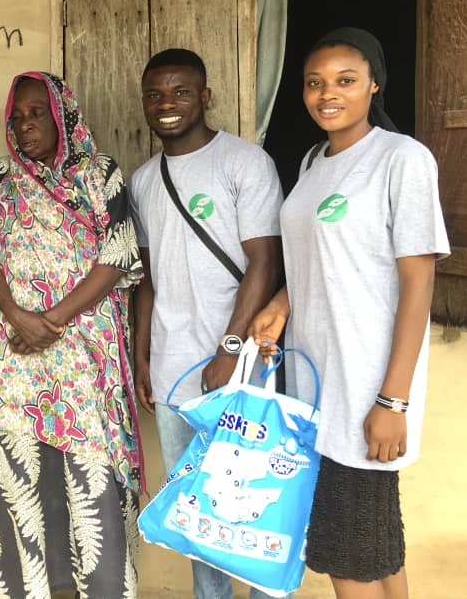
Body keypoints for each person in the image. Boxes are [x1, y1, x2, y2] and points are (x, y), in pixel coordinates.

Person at [250, 28, 449, 599]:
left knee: (345, 552)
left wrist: (392, 401)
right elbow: (319, 258)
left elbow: (418, 282)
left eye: (345, 80)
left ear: (374, 84)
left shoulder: (401, 158)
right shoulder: (314, 161)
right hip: (317, 379)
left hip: (366, 385)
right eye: (314, 82)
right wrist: (280, 303)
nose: (327, 94)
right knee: (376, 545)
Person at [0, 71, 144, 599]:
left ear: (63, 115)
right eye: (17, 116)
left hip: (84, 356)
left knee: (92, 478)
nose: (25, 125)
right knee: (18, 477)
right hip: (12, 357)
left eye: (37, 113)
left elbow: (117, 255)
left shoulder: (100, 174)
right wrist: (16, 314)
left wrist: (51, 320)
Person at [127, 48, 284, 599]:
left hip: (240, 368)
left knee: (254, 501)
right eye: (155, 95)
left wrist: (230, 349)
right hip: (173, 370)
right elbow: (147, 279)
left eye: (180, 92)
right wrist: (141, 353)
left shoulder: (244, 162)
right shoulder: (143, 181)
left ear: (205, 97)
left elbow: (264, 262)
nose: (166, 104)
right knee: (197, 511)